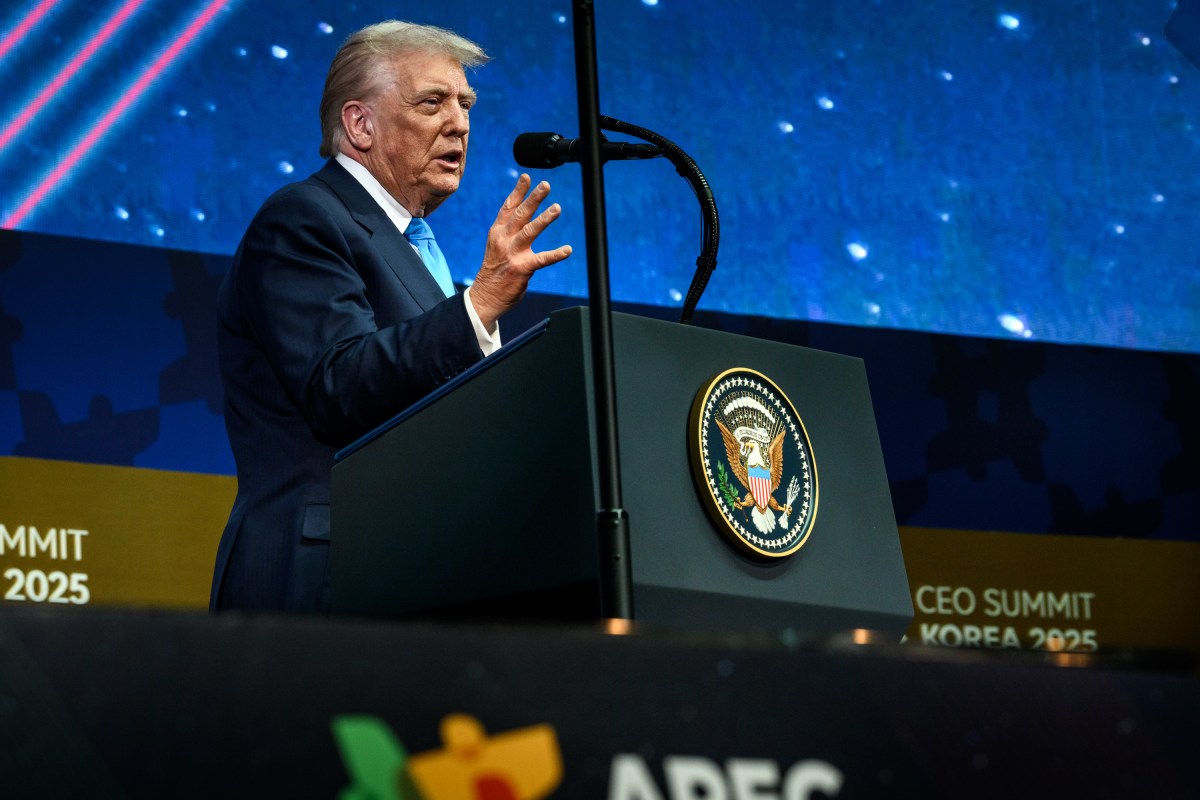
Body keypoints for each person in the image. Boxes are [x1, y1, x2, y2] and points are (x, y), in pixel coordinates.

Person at [210, 20, 572, 611]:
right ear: (360, 124)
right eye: (432, 102)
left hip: (413, 575)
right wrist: (477, 305)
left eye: (465, 104)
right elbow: (338, 385)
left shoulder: (413, 248)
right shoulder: (304, 218)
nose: (459, 123)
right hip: (324, 578)